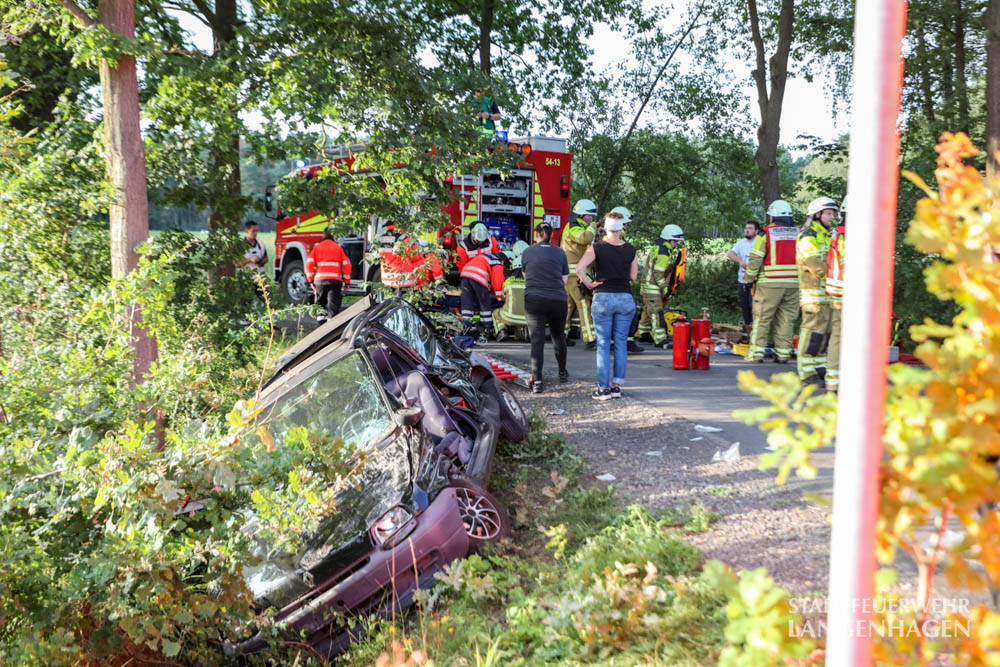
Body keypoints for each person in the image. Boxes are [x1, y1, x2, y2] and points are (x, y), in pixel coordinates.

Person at [576, 212, 638, 401]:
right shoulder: (631, 250)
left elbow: (579, 269)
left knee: (603, 344)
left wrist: (589, 283)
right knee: (620, 343)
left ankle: (603, 389)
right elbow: (633, 277)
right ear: (621, 228)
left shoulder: (596, 247)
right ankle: (616, 387)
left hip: (602, 297)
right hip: (625, 298)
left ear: (606, 228)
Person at [745, 200, 799, 363]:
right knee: (787, 320)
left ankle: (756, 354)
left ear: (772, 217)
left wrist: (749, 279)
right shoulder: (799, 232)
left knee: (762, 318)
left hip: (769, 282)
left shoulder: (765, 233)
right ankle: (783, 354)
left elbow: (756, 258)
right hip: (793, 284)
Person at [520, 224, 570, 393]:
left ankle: (538, 382)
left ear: (537, 235)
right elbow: (564, 280)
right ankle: (562, 373)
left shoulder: (527, 252)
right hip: (557, 299)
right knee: (558, 337)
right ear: (552, 234)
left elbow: (526, 276)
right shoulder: (560, 252)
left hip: (534, 299)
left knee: (537, 341)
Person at [796, 196, 839, 387]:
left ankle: (819, 366)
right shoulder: (808, 236)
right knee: (812, 332)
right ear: (817, 215)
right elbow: (814, 264)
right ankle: (806, 372)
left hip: (826, 293)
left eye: (833, 214)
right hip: (812, 293)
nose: (832, 217)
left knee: (824, 333)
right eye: (829, 213)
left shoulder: (827, 235)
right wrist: (832, 276)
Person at [636, 224, 685, 348]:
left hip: (646, 286)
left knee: (647, 311)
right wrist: (666, 288)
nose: (676, 244)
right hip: (652, 288)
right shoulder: (664, 253)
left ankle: (643, 333)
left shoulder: (659, 248)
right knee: (656, 313)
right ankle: (660, 340)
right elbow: (658, 274)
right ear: (669, 239)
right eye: (675, 241)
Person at [562, 199, 599, 349]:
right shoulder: (573, 227)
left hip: (570, 274)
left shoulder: (577, 226)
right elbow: (585, 238)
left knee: (569, 306)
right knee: (584, 303)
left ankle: (561, 335)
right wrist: (594, 227)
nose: (591, 219)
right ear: (582, 215)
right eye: (589, 216)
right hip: (574, 274)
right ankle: (590, 339)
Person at [610, 206, 644, 355]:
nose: (627, 226)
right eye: (625, 224)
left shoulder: (602, 243)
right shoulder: (624, 246)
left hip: (605, 288)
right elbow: (633, 275)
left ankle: (613, 343)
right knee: (630, 314)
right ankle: (628, 343)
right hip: (620, 286)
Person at [824, 196, 847, 393]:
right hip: (849, 292)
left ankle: (833, 380)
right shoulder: (847, 235)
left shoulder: (837, 233)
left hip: (838, 291)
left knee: (838, 337)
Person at [306, 228, 352, 322]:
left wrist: (310, 280)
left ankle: (320, 324)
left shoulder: (317, 247)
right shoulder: (338, 247)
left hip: (320, 281)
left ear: (323, 235)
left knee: (320, 303)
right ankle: (331, 327)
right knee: (333, 304)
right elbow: (347, 265)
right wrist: (347, 282)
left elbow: (309, 264)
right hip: (335, 281)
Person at [459, 251, 507, 337]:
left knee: (467, 304)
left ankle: (466, 327)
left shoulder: (486, 257)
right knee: (484, 303)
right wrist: (500, 298)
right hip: (478, 275)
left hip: (465, 274)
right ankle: (487, 329)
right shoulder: (497, 262)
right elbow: (497, 281)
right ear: (504, 260)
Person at [727, 220, 761, 328]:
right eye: (746, 228)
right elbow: (730, 254)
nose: (747, 230)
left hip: (756, 282)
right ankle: (747, 329)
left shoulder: (760, 242)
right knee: (745, 307)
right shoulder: (741, 243)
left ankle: (755, 330)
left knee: (754, 308)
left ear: (756, 231)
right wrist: (740, 261)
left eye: (750, 228)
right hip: (742, 280)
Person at [493, 241, 529, 342]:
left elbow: (504, 298)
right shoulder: (530, 281)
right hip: (529, 319)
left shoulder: (508, 281)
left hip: (509, 318)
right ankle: (524, 332)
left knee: (496, 312)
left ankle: (502, 331)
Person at [242, 220, 268, 301]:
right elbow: (236, 264)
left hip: (260, 278)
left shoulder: (261, 243)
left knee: (267, 300)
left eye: (257, 231)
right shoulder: (240, 245)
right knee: (246, 302)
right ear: (246, 231)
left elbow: (266, 258)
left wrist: (260, 261)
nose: (256, 233)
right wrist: (250, 260)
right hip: (246, 279)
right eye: (253, 231)